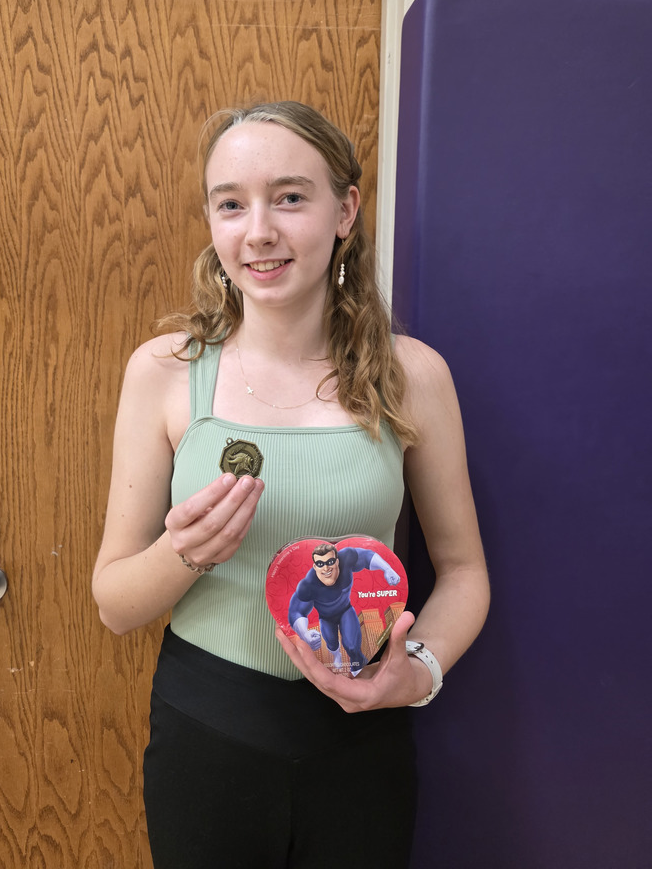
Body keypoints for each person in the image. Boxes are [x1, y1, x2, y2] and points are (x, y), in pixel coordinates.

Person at [92, 101, 490, 869]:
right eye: (231, 203)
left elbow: (465, 572)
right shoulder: (164, 373)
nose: (259, 231)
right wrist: (186, 553)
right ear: (211, 220)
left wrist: (420, 674)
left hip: (363, 737)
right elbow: (113, 604)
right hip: (208, 737)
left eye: (290, 197)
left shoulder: (415, 376)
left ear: (345, 209)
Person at [289, 542, 401, 673]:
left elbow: (366, 556)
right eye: (320, 564)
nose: (326, 568)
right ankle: (337, 656)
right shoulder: (308, 585)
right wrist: (304, 634)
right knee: (331, 644)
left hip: (345, 610)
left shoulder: (346, 559)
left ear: (337, 561)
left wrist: (387, 569)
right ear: (315, 566)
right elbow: (297, 611)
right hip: (326, 618)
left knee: (353, 647)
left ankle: (358, 670)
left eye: (330, 562)